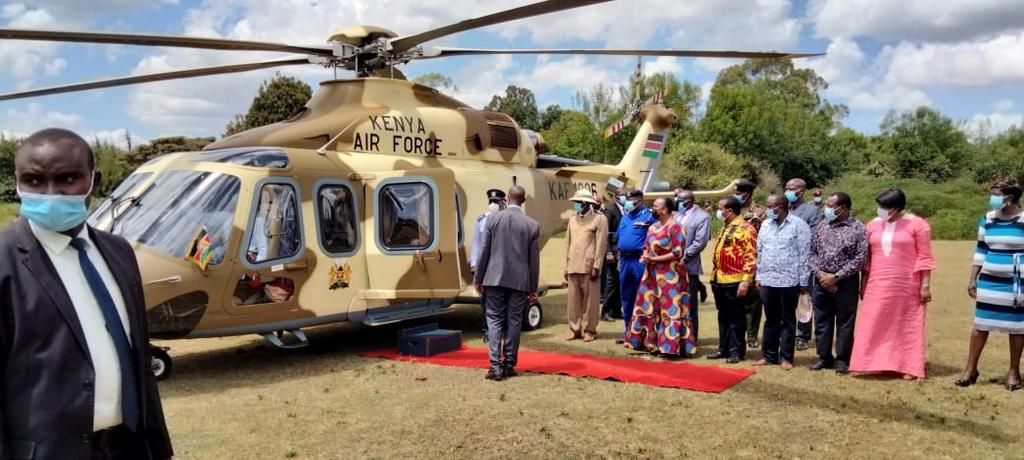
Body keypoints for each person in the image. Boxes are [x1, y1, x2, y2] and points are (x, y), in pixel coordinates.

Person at [0, 128, 173, 458]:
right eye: (34, 181)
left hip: (129, 446)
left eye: (67, 178)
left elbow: (137, 354)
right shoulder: (4, 261)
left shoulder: (119, 252)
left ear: (95, 181)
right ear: (18, 181)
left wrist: (157, 446)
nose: (51, 194)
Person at [850, 188, 935, 380]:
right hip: (877, 283)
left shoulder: (917, 225)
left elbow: (925, 256)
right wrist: (864, 282)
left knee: (906, 323)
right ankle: (876, 362)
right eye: (879, 206)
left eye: (884, 207)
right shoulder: (872, 225)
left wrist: (925, 285)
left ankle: (908, 366)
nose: (880, 210)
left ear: (896, 208)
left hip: (906, 283)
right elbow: (867, 259)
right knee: (876, 322)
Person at [957, 179, 1024, 391]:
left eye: (996, 194)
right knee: (980, 325)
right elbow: (981, 249)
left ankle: (1013, 371)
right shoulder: (987, 219)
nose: (992, 198)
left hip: (1017, 282)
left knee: (1017, 327)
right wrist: (973, 278)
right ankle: (970, 369)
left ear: (1010, 198)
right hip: (990, 280)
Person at [474, 186, 540, 381]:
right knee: (514, 321)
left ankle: (495, 366)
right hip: (520, 281)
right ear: (524, 200)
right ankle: (509, 363)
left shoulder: (492, 219)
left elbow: (484, 251)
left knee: (493, 320)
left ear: (508, 198)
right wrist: (533, 287)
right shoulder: (532, 225)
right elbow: (533, 260)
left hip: (494, 278)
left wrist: (479, 278)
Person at [625, 197, 696, 357]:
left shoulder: (676, 227)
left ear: (664, 210)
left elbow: (678, 252)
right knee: (649, 306)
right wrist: (645, 255)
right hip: (651, 275)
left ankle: (670, 347)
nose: (652, 209)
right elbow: (646, 247)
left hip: (671, 276)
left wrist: (654, 259)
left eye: (655, 206)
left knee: (670, 309)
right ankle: (651, 343)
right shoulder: (652, 227)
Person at [808, 192, 868, 375]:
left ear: (842, 208)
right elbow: (811, 253)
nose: (826, 209)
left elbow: (861, 257)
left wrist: (837, 276)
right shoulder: (822, 226)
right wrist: (821, 275)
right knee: (822, 321)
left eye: (830, 205)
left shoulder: (858, 228)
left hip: (845, 283)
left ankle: (842, 359)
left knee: (845, 322)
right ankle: (823, 357)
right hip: (820, 281)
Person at [753, 193, 811, 370]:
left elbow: (804, 254)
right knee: (770, 319)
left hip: (789, 281)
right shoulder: (765, 225)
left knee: (787, 320)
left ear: (783, 207)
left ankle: (786, 357)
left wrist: (803, 281)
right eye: (768, 206)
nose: (769, 210)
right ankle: (768, 355)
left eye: (772, 207)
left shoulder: (799, 225)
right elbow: (760, 252)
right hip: (768, 280)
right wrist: (759, 275)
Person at [708, 196, 758, 363]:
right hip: (719, 279)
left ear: (729, 211)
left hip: (735, 280)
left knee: (736, 318)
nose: (718, 211)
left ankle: (736, 351)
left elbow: (751, 256)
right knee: (723, 316)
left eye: (720, 208)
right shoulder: (726, 226)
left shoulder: (745, 228)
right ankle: (724, 348)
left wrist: (745, 280)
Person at [564, 190, 608, 342]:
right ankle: (574, 328)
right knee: (573, 300)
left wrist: (597, 266)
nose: (575, 204)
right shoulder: (572, 220)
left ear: (585, 203)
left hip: (589, 266)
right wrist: (566, 265)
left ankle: (590, 329)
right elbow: (567, 243)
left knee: (590, 301)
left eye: (577, 202)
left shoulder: (599, 219)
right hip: (573, 264)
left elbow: (601, 244)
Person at [785, 178, 822, 351]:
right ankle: (787, 333)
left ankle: (802, 336)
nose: (788, 191)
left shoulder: (812, 211)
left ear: (801, 190)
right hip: (783, 264)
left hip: (803, 262)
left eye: (791, 188)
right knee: (785, 302)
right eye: (786, 188)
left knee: (804, 301)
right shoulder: (783, 209)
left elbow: (812, 237)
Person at [616, 188, 656, 343]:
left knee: (644, 297)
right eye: (626, 199)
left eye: (630, 199)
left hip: (640, 261)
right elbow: (618, 238)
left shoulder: (649, 216)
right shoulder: (625, 217)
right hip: (625, 261)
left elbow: (657, 237)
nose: (627, 202)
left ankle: (646, 333)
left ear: (640, 200)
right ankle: (629, 332)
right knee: (627, 297)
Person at [470, 188, 506, 343]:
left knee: (503, 299)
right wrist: (474, 265)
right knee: (485, 302)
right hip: (486, 267)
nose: (493, 204)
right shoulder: (481, 220)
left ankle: (501, 329)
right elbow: (476, 244)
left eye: (495, 201)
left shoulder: (506, 219)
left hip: (502, 266)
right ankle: (487, 330)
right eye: (491, 201)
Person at [674, 188, 711, 342]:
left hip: (689, 265)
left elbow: (700, 241)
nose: (677, 203)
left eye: (679, 201)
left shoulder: (702, 217)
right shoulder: (676, 215)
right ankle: (677, 334)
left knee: (690, 303)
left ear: (688, 202)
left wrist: (685, 255)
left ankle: (692, 336)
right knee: (675, 301)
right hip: (672, 266)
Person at [735, 179, 765, 349]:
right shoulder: (734, 209)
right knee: (737, 301)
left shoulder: (760, 212)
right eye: (736, 193)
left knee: (753, 302)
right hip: (734, 262)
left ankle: (752, 335)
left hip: (753, 260)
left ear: (748, 194)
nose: (737, 196)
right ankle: (738, 332)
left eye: (740, 194)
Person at [600, 188, 624, 322]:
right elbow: (606, 233)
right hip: (612, 252)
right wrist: (608, 251)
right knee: (611, 282)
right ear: (615, 197)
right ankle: (606, 311)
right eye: (622, 195)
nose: (625, 198)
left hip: (621, 251)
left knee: (619, 282)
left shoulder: (625, 210)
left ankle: (616, 309)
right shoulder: (610, 210)